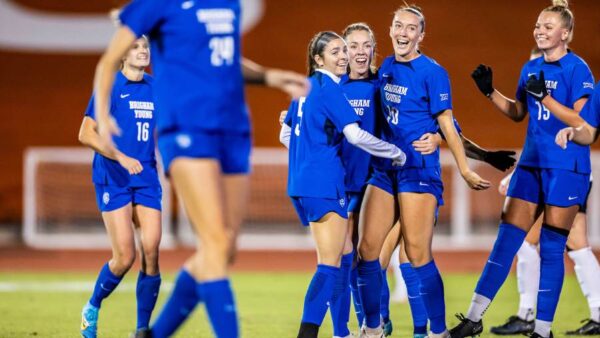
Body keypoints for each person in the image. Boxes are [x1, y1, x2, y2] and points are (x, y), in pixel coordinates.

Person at [91, 1, 310, 337]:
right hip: (187, 128)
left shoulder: (229, 5)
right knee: (215, 242)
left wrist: (268, 76)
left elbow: (223, 62)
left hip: (233, 128)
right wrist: (103, 113)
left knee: (224, 248)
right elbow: (109, 61)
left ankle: (154, 333)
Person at [450, 1, 594, 337]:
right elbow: (518, 112)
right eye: (538, 25)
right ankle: (473, 318)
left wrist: (546, 99)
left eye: (548, 26)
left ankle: (542, 330)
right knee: (506, 242)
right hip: (530, 166)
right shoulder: (530, 68)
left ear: (566, 33)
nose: (540, 30)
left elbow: (583, 123)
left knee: (553, 247)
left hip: (566, 169)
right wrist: (489, 93)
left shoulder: (578, 69)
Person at [356, 5, 490, 338]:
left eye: (410, 28)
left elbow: (446, 121)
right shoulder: (385, 67)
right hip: (384, 171)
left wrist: (464, 168)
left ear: (420, 35)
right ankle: (374, 327)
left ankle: (437, 332)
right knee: (366, 252)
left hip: (418, 170)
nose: (403, 33)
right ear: (389, 30)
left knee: (416, 255)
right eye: (398, 26)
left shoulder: (433, 72)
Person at [279, 30, 406, 338]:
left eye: (342, 50)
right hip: (325, 184)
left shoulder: (304, 88)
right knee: (330, 264)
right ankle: (309, 332)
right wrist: (396, 152)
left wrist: (309, 155)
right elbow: (355, 135)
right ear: (318, 59)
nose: (343, 56)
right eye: (335, 52)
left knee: (346, 253)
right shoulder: (330, 89)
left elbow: (285, 135)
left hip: (301, 183)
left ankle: (342, 332)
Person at [78, 36, 163, 338]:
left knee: (151, 248)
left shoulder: (156, 87)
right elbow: (86, 133)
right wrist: (122, 156)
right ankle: (92, 306)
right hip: (113, 177)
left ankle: (142, 330)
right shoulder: (109, 86)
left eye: (146, 47)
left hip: (146, 178)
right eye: (135, 47)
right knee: (125, 257)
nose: (143, 51)